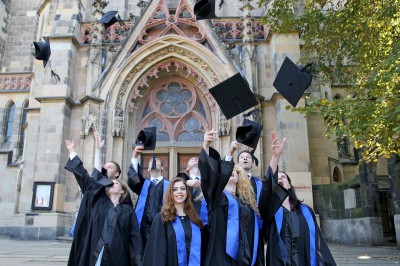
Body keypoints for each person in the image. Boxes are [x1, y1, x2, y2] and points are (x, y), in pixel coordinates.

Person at [259, 130, 336, 265]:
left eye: (283, 177)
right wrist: (275, 158)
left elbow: (318, 241)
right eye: (276, 178)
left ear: (289, 185)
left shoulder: (305, 211)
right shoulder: (271, 210)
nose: (279, 179)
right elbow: (266, 188)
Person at [65, 132, 142, 266]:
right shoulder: (96, 192)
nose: (105, 168)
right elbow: (87, 174)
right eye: (104, 166)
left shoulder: (125, 202)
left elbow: (131, 229)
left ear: (117, 174)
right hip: (92, 238)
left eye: (110, 166)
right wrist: (75, 151)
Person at [199, 128, 263, 265]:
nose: (232, 171)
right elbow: (209, 177)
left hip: (242, 256)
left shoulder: (245, 203)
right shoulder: (216, 197)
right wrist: (209, 147)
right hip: (220, 253)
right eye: (229, 169)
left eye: (235, 170)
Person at [142, 177, 203, 266]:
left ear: (187, 193)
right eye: (175, 189)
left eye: (182, 189)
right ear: (170, 193)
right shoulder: (162, 218)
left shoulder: (194, 219)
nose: (179, 192)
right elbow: (157, 253)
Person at [227, 141, 265, 265]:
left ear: (253, 163)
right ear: (237, 163)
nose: (245, 159)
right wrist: (230, 152)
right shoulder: (231, 181)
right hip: (236, 226)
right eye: (242, 157)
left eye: (248, 157)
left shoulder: (259, 184)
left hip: (255, 227)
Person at [127, 145, 169, 248]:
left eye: (157, 161)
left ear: (163, 168)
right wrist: (135, 157)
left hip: (164, 226)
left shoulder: (170, 186)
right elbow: (133, 179)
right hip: (143, 228)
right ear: (148, 169)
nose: (154, 162)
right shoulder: (142, 184)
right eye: (151, 162)